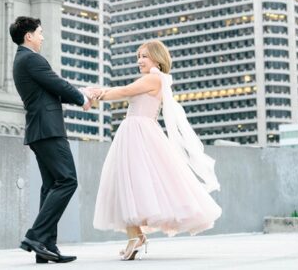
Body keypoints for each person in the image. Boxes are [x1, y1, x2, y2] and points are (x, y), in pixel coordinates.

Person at [89, 40, 221, 261]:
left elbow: (124, 91)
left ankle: (136, 237)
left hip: (138, 133)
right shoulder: (154, 78)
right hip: (136, 132)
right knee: (128, 184)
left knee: (129, 182)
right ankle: (135, 236)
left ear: (157, 59)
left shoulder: (152, 78)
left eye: (145, 56)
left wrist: (96, 93)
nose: (140, 60)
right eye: (138, 56)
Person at [11, 15, 96, 264]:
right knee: (68, 180)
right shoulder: (31, 59)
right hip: (48, 130)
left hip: (40, 130)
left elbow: (52, 89)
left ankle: (46, 246)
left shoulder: (23, 60)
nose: (42, 36)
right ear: (28, 36)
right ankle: (36, 237)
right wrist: (82, 98)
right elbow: (57, 83)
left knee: (51, 186)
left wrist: (81, 94)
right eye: (39, 32)